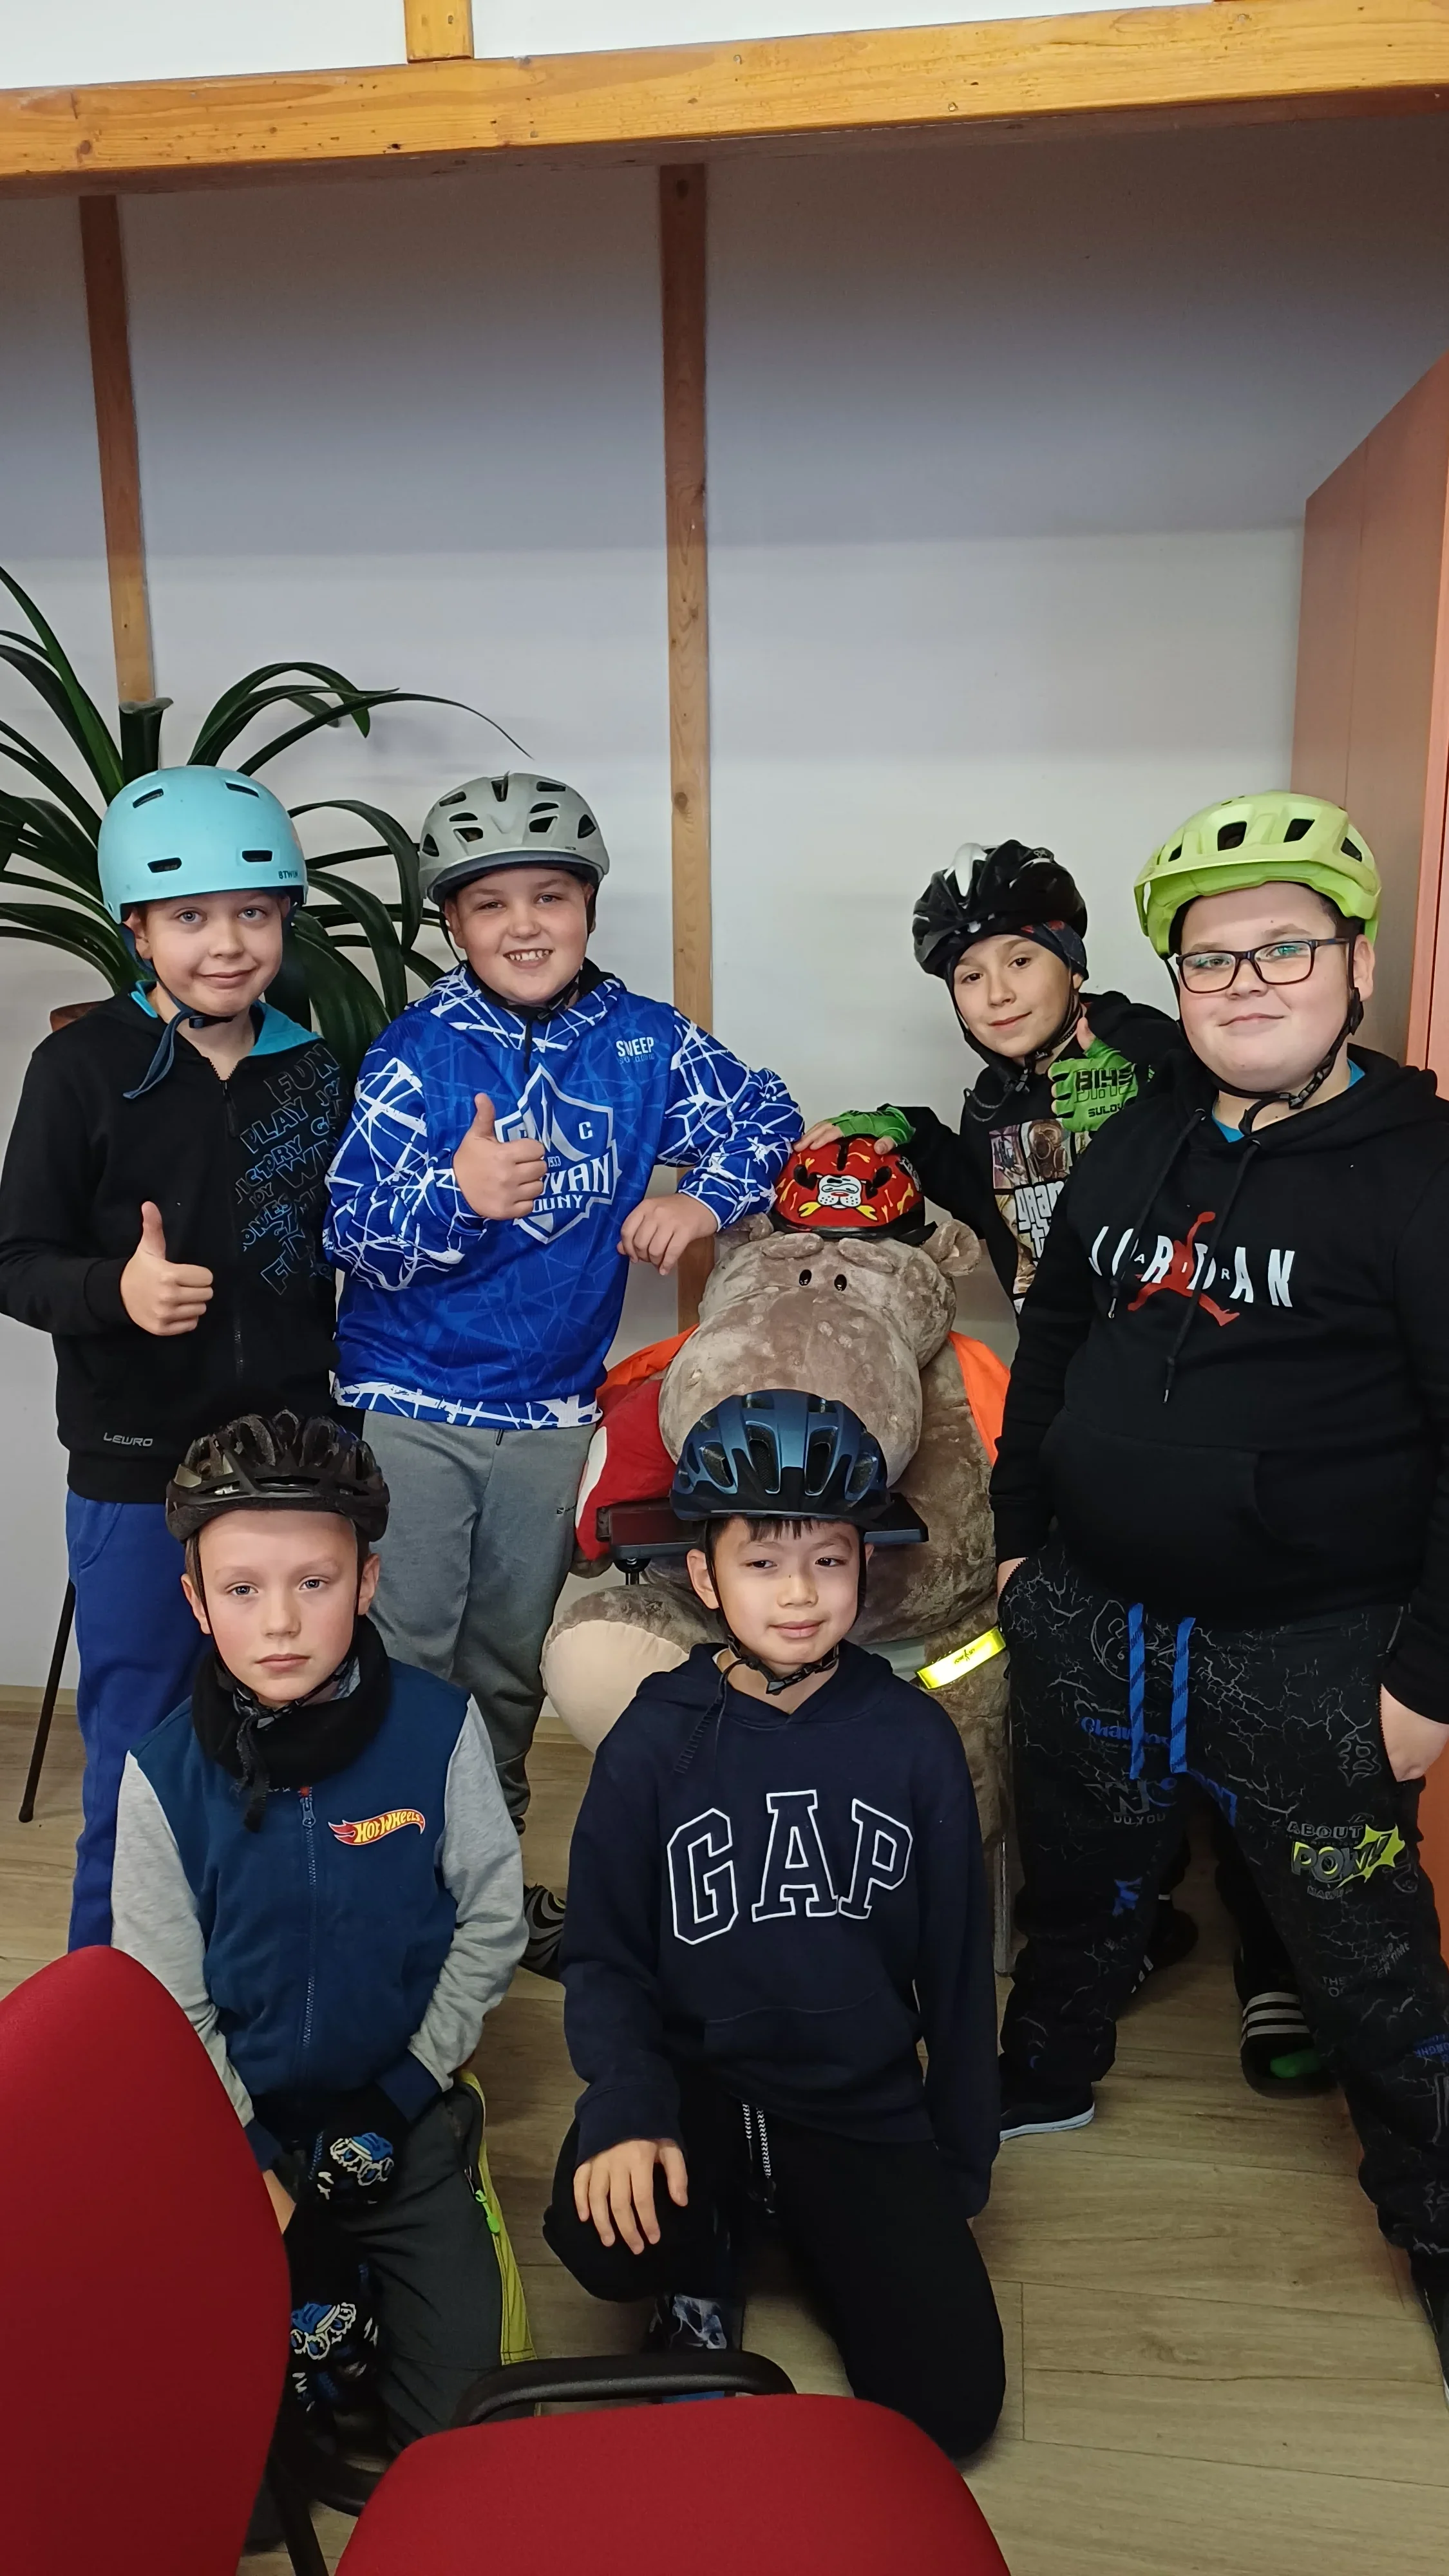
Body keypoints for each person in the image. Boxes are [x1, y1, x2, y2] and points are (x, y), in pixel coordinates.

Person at [989, 790, 1449, 2396]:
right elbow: (1056, 1334)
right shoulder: (1144, 1133)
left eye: (1284, 949)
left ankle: (1437, 2218)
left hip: (1315, 1647)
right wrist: (1021, 1542)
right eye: (1211, 959)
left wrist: (1431, 1678)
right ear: (1175, 981)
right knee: (1079, 1876)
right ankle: (1045, 2069)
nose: (1246, 983)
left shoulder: (1424, 1170)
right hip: (1093, 1615)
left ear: (1357, 963)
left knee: (1368, 1960)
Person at [804, 837, 1320, 2096]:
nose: (994, 990)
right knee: (1087, 1682)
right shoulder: (994, 1104)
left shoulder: (1150, 1047)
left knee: (1240, 1692)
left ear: (1073, 965)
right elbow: (1002, 1220)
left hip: (1203, 1402)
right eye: (968, 973)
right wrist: (909, 1136)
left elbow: (1250, 1144)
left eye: (1019, 961)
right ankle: (1133, 1923)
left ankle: (1279, 1960)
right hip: (1079, 1410)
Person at [326, 772, 799, 1975]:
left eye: (549, 896)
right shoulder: (416, 1051)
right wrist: (458, 1194)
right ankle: (390, 1898)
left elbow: (767, 1118)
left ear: (587, 906)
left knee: (504, 1671)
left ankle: (485, 1894)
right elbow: (348, 1228)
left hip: (549, 1411)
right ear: (452, 923)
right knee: (408, 1657)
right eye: (490, 904)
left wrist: (701, 1199)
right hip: (413, 1401)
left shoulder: (644, 1043)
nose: (524, 925)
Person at [542, 1389, 1005, 2459]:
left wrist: (956, 2162)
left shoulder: (912, 1740)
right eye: (762, 1562)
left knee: (950, 2411)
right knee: (599, 2236)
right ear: (705, 1576)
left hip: (858, 2102)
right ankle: (703, 2259)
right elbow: (606, 1956)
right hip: (697, 2090)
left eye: (828, 1561)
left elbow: (955, 1968)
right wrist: (625, 2106)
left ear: (863, 1563)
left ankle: (810, 2231)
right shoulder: (653, 1742)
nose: (798, 1595)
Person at [110, 1411, 529, 2452]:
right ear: (196, 1603)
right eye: (242, 1590)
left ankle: (430, 2207)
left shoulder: (440, 1733)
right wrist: (272, 2201)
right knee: (223, 2466)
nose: (282, 1623)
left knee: (460, 2436)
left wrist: (406, 2090)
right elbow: (166, 2009)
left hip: (399, 2112)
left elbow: (491, 1921)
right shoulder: (159, 1776)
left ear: (368, 1582)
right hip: (234, 2136)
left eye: (315, 1582)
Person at [0, 767, 345, 1948]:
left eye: (253, 912)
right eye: (189, 916)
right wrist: (117, 1291)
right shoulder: (80, 1067)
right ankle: (112, 1989)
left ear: (286, 918)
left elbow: (352, 1240)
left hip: (296, 1459)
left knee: (299, 1732)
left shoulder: (313, 1067)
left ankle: (277, 1976)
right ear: (138, 931)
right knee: (142, 1743)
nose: (227, 943)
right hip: (136, 1466)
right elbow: (16, 1260)